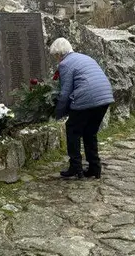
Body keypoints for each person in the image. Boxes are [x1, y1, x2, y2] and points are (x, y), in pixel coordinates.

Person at [50, 38, 114, 179]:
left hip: (87, 98)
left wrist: (58, 112)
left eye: (55, 56)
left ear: (59, 54)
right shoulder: (84, 57)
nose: (56, 59)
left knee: (72, 130)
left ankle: (75, 167)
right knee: (90, 132)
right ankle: (94, 168)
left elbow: (65, 92)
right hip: (104, 97)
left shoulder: (65, 64)